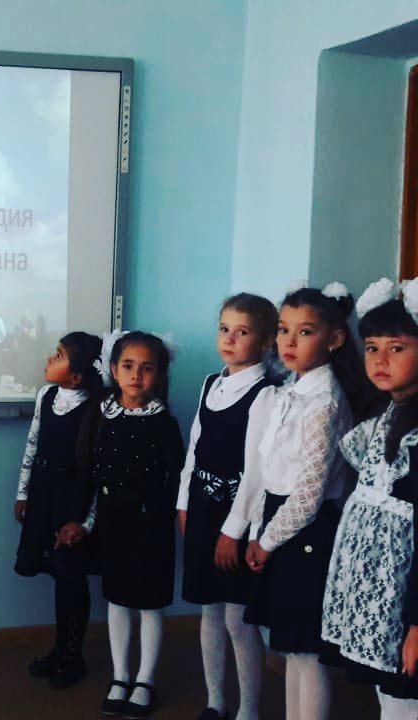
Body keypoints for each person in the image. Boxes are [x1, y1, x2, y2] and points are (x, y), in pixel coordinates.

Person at [230, 284, 362, 720]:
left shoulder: (324, 400)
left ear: (334, 339)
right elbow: (270, 472)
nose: (289, 341)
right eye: (284, 329)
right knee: (290, 648)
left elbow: (308, 494)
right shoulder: (292, 389)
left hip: (308, 530)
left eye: (304, 332)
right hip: (279, 521)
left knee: (306, 652)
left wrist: (265, 541)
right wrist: (258, 530)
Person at [175, 293, 279, 720]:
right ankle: (215, 700)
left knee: (238, 619)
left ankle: (248, 709)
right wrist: (184, 503)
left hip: (236, 517)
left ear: (266, 341)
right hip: (202, 509)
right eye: (224, 329)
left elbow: (256, 472)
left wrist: (232, 531)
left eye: (242, 331)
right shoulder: (210, 384)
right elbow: (194, 450)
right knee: (209, 611)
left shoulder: (265, 394)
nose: (230, 339)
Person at [320, 278, 418, 718]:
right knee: (388, 699)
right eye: (372, 347)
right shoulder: (386, 414)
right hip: (379, 595)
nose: (379, 359)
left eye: (396, 348)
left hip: (405, 602)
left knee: (403, 702)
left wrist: (416, 625)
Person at [81, 331, 185, 718]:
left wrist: (163, 515)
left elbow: (177, 476)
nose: (136, 375)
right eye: (128, 366)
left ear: (159, 374)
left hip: (151, 525)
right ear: (113, 369)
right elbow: (92, 470)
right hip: (114, 522)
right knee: (118, 599)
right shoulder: (101, 416)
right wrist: (88, 521)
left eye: (146, 368)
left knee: (150, 603)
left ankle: (145, 679)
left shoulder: (164, 423)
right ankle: (121, 675)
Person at [13, 332, 104, 689]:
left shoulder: (97, 407)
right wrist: (23, 493)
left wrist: (86, 521)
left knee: (71, 574)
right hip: (43, 492)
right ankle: (59, 647)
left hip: (72, 499)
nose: (50, 359)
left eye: (60, 355)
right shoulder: (46, 395)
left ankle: (73, 654)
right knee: (58, 575)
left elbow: (99, 470)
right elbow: (33, 443)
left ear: (76, 376)